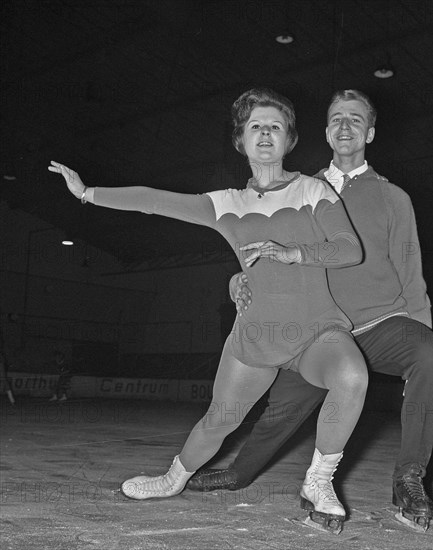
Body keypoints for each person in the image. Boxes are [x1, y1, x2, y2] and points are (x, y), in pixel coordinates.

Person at [49, 88, 368, 535]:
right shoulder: (225, 204)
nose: (264, 134)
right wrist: (87, 193)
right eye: (255, 126)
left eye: (275, 126)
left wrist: (292, 252)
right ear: (240, 139)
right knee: (220, 420)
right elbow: (154, 199)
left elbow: (350, 250)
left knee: (352, 376)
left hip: (316, 329)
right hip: (256, 334)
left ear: (290, 140)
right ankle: (173, 478)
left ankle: (319, 481)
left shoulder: (314, 189)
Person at [187, 90, 433, 533]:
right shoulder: (300, 190)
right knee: (282, 412)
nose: (345, 126)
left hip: (380, 323)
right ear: (325, 131)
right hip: (318, 329)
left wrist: (418, 336)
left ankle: (409, 479)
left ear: (369, 132)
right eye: (336, 119)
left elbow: (411, 271)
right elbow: (263, 254)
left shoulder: (393, 198)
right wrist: (238, 281)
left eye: (355, 119)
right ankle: (240, 472)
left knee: (432, 358)